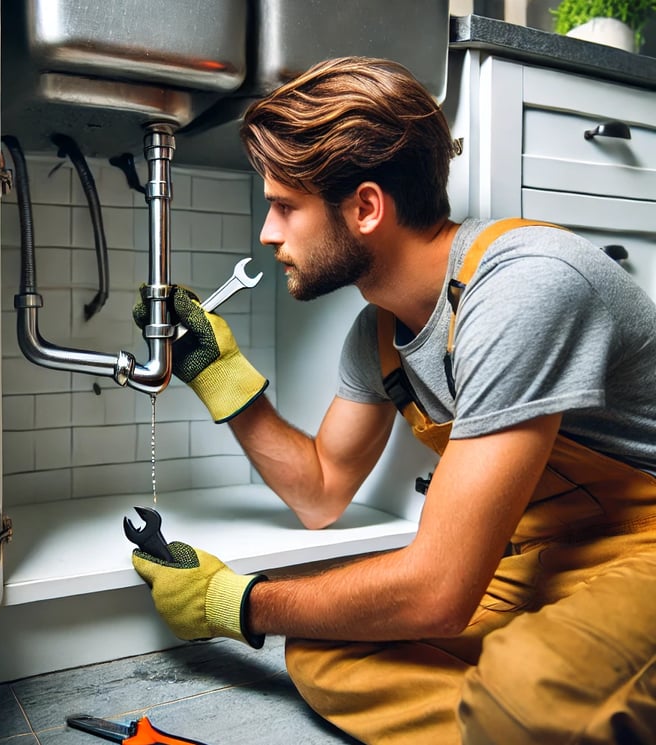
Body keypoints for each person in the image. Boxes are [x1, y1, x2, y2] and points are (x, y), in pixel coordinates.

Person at [131, 56, 656, 744]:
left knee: (529, 692)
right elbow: (320, 491)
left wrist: (238, 601)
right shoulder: (377, 333)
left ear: (367, 207)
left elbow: (439, 590)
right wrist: (217, 372)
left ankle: (530, 711)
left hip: (644, 549)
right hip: (543, 558)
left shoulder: (522, 285)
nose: (268, 232)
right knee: (324, 653)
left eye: (286, 206)